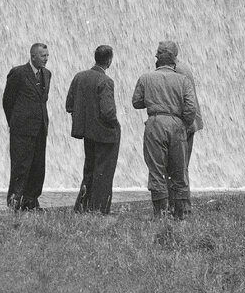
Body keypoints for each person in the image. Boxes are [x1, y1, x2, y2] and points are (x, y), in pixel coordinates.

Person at [131, 40, 200, 219]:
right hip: (177, 124)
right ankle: (181, 213)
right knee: (179, 170)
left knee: (156, 169)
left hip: (155, 123)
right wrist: (184, 124)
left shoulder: (146, 77)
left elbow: (136, 102)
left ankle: (160, 213)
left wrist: (153, 99)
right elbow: (191, 107)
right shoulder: (183, 79)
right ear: (174, 61)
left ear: (158, 60)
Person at [65, 44, 120, 214]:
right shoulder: (105, 81)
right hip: (105, 133)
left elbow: (69, 105)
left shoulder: (79, 77)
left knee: (89, 169)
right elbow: (108, 111)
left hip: (87, 132)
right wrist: (115, 124)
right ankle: (99, 209)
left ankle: (82, 206)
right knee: (103, 172)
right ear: (109, 60)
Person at [2, 42, 51, 210]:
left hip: (40, 129)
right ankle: (14, 203)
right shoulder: (18, 73)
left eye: (47, 55)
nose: (46, 59)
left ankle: (31, 202)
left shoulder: (47, 74)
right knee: (20, 167)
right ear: (33, 56)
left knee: (38, 167)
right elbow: (7, 101)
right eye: (43, 56)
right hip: (21, 130)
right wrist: (14, 123)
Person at [174, 53, 205, 168]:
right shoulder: (183, 67)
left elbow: (187, 101)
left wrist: (184, 124)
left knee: (179, 167)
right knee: (183, 166)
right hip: (191, 121)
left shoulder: (177, 70)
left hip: (185, 123)